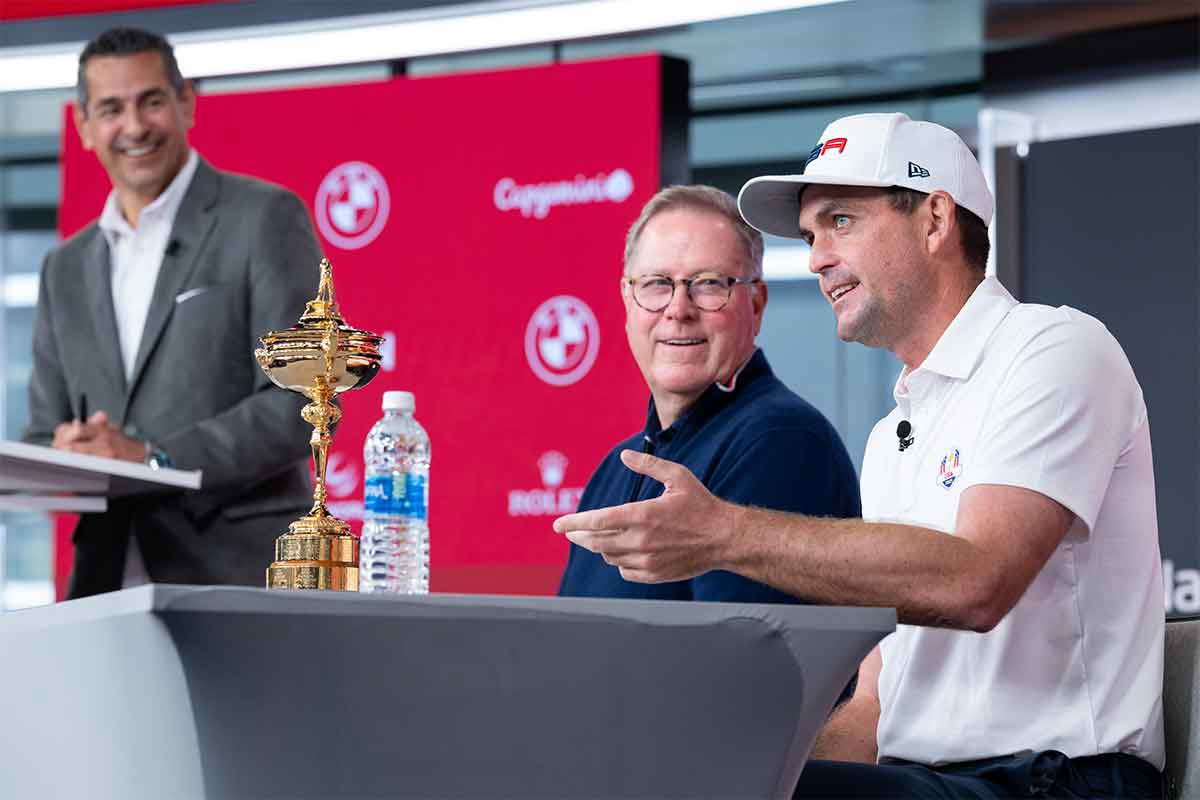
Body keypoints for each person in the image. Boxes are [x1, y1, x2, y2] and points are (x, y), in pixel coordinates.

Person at [555, 114, 1164, 798]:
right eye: (813, 235)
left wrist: (723, 534)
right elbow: (873, 711)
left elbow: (978, 581)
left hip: (1055, 784)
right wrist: (743, 771)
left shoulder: (1054, 348)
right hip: (924, 782)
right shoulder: (891, 436)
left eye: (841, 221)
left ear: (934, 221)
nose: (815, 258)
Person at [23, 27, 321, 599]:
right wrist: (64, 451)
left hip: (239, 582)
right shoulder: (64, 266)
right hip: (104, 590)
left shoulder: (263, 219)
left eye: (151, 101)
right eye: (111, 109)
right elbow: (44, 432)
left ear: (185, 102)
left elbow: (301, 400)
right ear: (84, 128)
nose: (134, 127)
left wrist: (155, 458)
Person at [559, 184, 860, 604]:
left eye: (708, 284)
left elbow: (736, 660)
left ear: (756, 304)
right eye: (657, 283)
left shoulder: (781, 442)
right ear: (627, 300)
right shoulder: (615, 469)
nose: (678, 309)